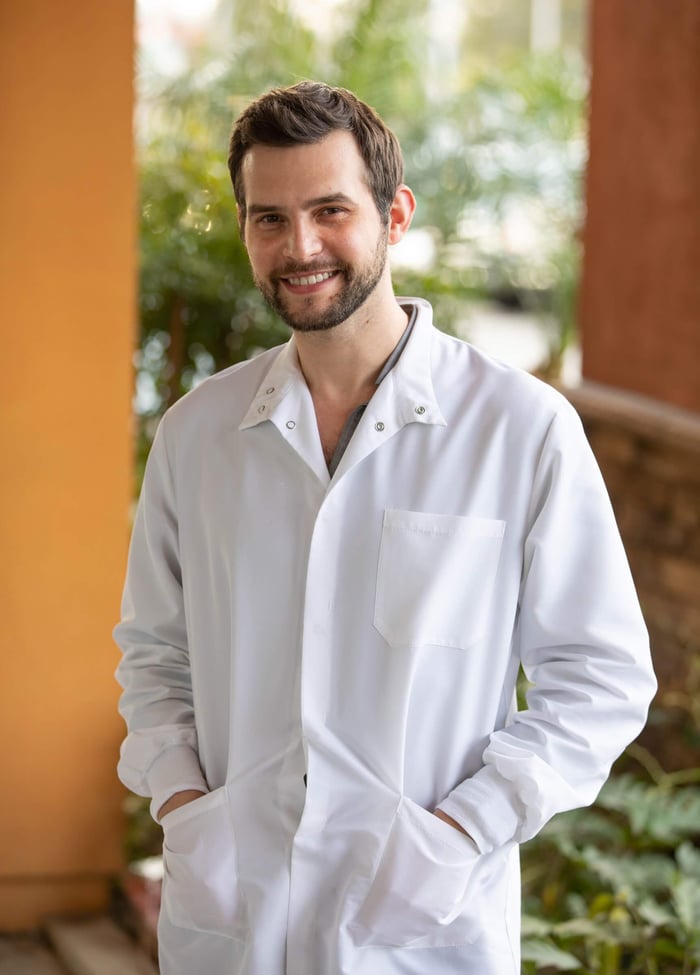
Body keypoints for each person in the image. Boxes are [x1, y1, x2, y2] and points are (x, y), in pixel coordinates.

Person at [114, 81, 657, 975]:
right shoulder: (197, 435)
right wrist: (182, 802)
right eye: (270, 219)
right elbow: (153, 652)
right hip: (232, 925)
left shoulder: (519, 430)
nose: (301, 247)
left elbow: (600, 677)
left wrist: (462, 828)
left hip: (423, 932)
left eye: (331, 210)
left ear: (395, 214)